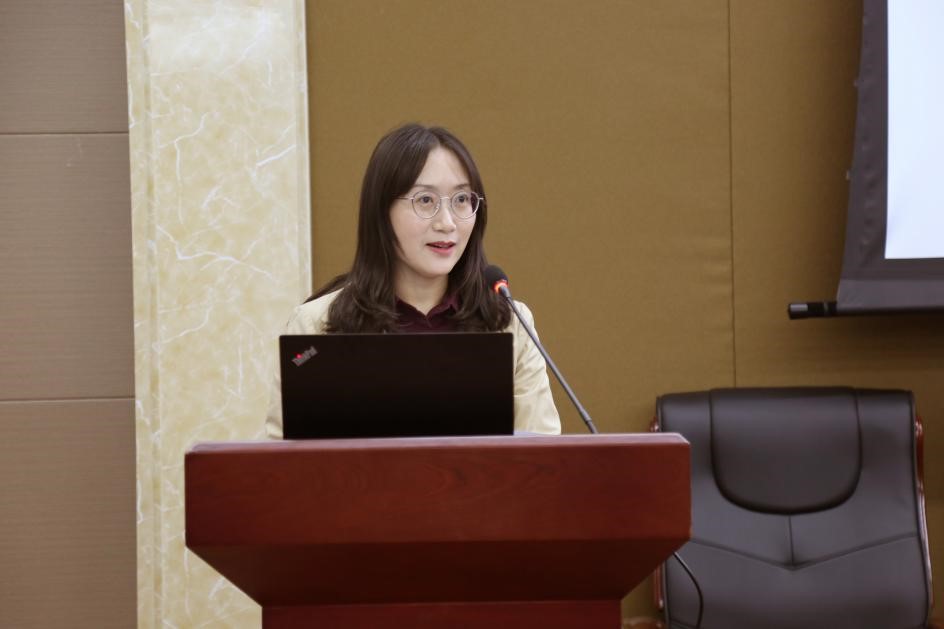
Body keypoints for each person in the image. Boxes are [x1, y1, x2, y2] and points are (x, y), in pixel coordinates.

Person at [266, 123, 561, 438]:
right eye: (425, 200)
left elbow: (541, 453)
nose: (447, 223)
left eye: (461, 199)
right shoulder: (316, 327)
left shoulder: (510, 323)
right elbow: (284, 459)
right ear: (382, 211)